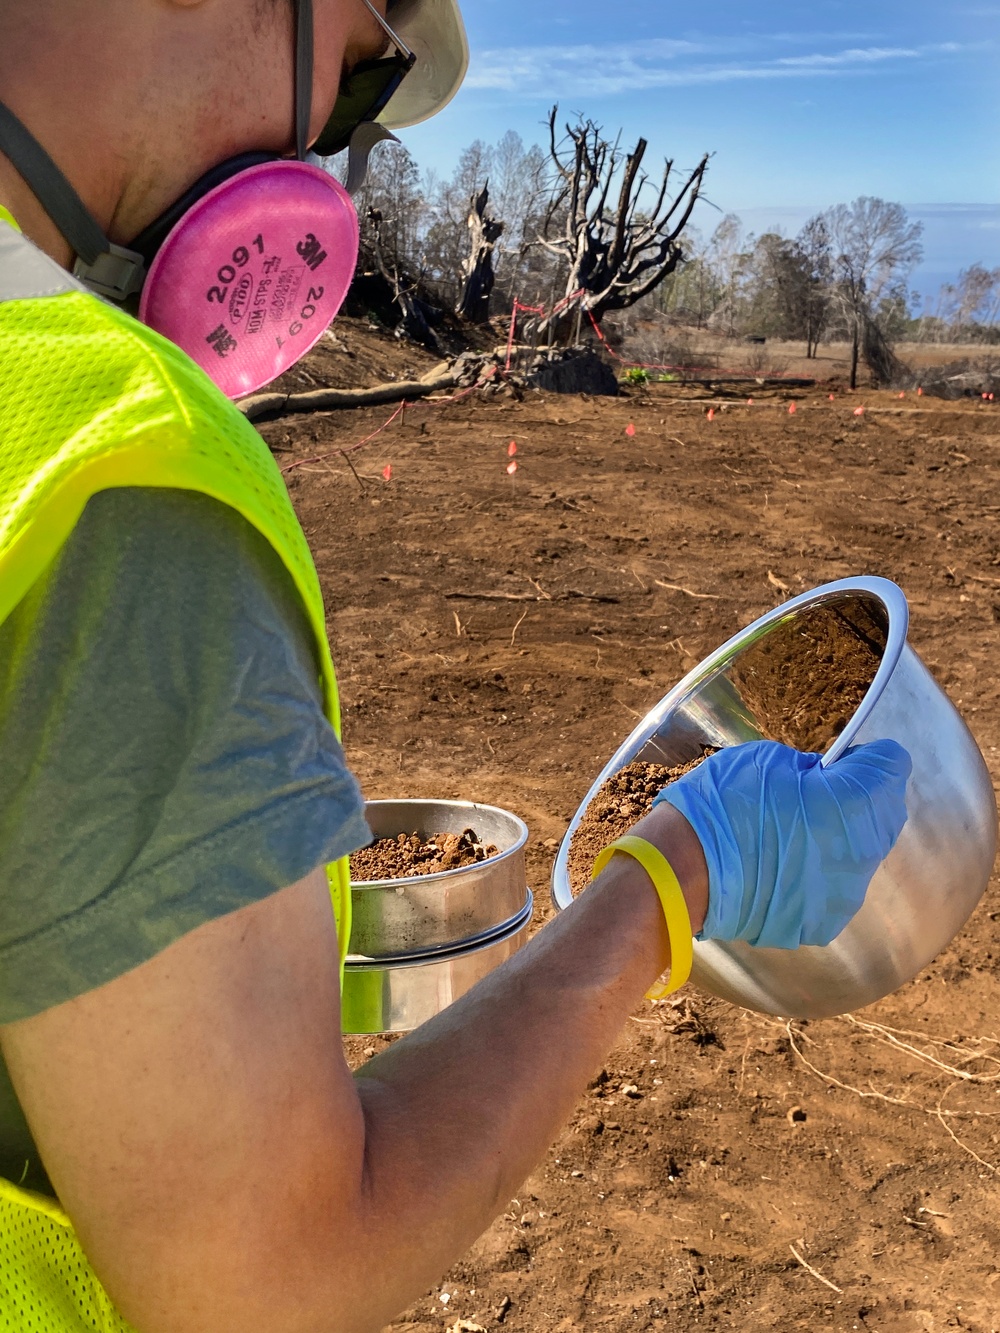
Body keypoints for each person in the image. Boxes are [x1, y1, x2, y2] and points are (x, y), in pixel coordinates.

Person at [0, 1, 911, 1329]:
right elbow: (270, 1282)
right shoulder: (113, 470)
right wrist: (670, 880)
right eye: (357, 95)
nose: (318, 151)